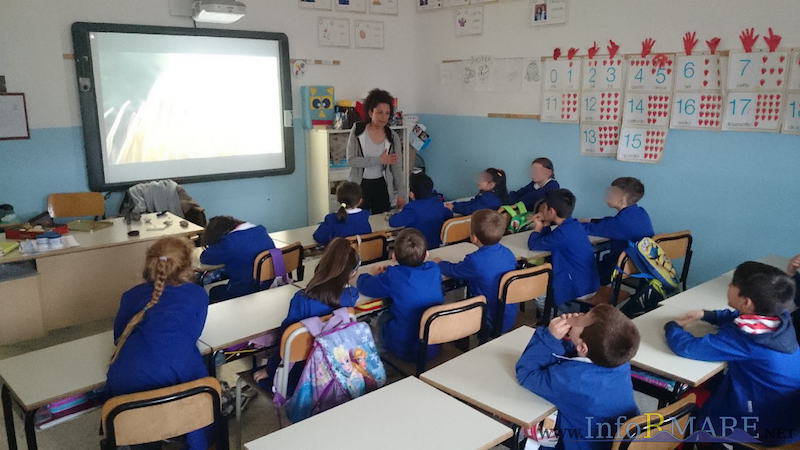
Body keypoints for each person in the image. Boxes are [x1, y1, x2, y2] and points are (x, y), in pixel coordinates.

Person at [664, 261, 800, 446]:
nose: (728, 286)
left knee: (689, 413)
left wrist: (672, 327)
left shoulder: (746, 338)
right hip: (784, 412)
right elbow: (737, 318)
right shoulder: (780, 319)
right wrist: (707, 315)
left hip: (763, 423)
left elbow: (688, 347)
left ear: (746, 302)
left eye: (733, 284)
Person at [106, 237, 210, 450]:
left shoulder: (131, 296)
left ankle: (144, 441)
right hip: (183, 375)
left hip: (128, 381)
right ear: (188, 267)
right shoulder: (197, 294)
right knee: (199, 398)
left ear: (149, 265)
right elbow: (194, 332)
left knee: (140, 425)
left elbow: (119, 336)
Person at [516, 305, 640, 450]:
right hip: (617, 442)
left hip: (577, 444)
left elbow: (526, 373)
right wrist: (572, 337)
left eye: (582, 318)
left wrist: (549, 338)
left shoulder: (572, 379)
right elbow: (578, 358)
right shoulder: (619, 363)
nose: (578, 315)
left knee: (530, 436)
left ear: (582, 348)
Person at [253, 238, 360, 395]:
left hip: (298, 377)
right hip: (334, 366)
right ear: (353, 273)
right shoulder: (351, 296)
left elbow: (287, 341)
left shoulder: (302, 299)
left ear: (320, 266)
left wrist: (270, 370)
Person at [357, 229, 443, 361]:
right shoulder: (434, 269)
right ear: (426, 255)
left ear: (393, 256)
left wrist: (370, 274)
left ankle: (379, 356)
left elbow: (365, 286)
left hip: (404, 349)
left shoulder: (393, 275)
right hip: (433, 344)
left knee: (379, 318)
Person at [435, 209, 517, 334]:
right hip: (509, 315)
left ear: (473, 238)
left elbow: (454, 271)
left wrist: (439, 263)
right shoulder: (508, 253)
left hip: (489, 318)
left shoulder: (474, 261)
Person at [529, 189, 600, 313]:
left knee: (538, 293)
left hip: (578, 288)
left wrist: (538, 227)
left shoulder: (563, 233)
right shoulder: (573, 225)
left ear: (551, 211)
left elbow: (534, 244)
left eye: (544, 209)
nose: (542, 211)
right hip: (588, 282)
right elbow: (548, 240)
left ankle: (556, 318)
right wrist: (546, 224)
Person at [580, 177, 653, 284]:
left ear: (623, 198)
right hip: (638, 266)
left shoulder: (620, 223)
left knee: (573, 269)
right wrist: (591, 220)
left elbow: (589, 229)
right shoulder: (640, 213)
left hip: (618, 269)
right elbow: (612, 222)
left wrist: (565, 223)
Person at [346, 88, 406, 214]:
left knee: (382, 222)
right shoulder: (358, 130)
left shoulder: (392, 136)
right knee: (359, 223)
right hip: (359, 186)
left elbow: (397, 168)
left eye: (387, 113)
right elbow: (351, 160)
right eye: (379, 112)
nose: (384, 117)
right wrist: (379, 160)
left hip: (382, 185)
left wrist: (401, 194)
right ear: (370, 112)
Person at [200, 215, 275, 302]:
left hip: (246, 292)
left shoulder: (230, 242)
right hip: (269, 284)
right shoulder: (260, 231)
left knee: (215, 291)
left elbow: (205, 258)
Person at [388, 172, 453, 249]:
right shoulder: (439, 203)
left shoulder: (412, 209)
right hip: (436, 246)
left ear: (411, 194)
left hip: (415, 249)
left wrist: (399, 211)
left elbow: (393, 222)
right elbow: (449, 215)